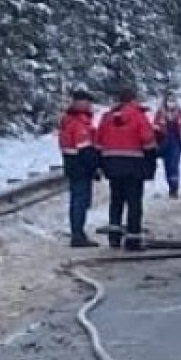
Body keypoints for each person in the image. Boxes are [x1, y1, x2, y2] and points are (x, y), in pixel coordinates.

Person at [95, 88, 157, 251]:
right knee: (134, 202)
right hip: (134, 165)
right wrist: (150, 162)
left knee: (116, 201)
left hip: (112, 165)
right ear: (133, 100)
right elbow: (148, 141)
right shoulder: (138, 116)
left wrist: (101, 163)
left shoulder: (107, 117)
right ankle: (133, 239)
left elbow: (98, 141)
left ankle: (114, 236)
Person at [59, 88, 100, 248]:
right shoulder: (79, 123)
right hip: (80, 166)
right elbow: (85, 149)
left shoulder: (68, 121)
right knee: (80, 201)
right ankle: (78, 234)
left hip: (71, 163)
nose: (90, 105)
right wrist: (95, 167)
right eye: (87, 102)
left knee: (77, 199)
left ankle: (77, 232)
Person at [153, 91, 181, 199]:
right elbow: (155, 128)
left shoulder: (180, 113)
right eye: (169, 101)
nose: (171, 103)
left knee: (174, 166)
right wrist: (155, 142)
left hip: (176, 143)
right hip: (164, 143)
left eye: (173, 100)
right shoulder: (160, 113)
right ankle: (170, 185)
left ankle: (174, 189)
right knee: (167, 167)